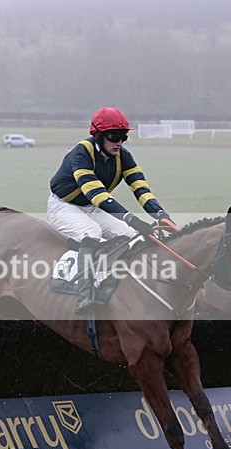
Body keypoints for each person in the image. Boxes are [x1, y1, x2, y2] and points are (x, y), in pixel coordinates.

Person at [48, 106, 175, 314]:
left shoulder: (124, 156)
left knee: (133, 237)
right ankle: (85, 293)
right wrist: (131, 218)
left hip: (91, 207)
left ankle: (114, 284)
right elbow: (97, 194)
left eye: (123, 137)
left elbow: (140, 188)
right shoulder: (80, 154)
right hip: (64, 206)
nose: (119, 142)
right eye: (114, 136)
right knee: (92, 233)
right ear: (98, 136)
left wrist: (161, 215)